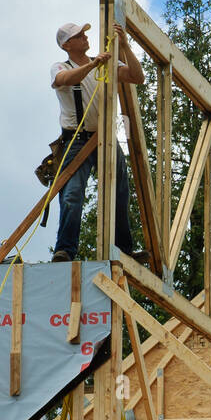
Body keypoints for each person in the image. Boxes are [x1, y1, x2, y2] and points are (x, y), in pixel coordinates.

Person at [48, 21, 146, 262]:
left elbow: (137, 77)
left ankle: (123, 250)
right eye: (79, 35)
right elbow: (65, 79)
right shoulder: (61, 66)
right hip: (77, 140)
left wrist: (125, 46)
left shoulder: (104, 63)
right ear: (67, 44)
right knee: (72, 195)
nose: (85, 37)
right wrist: (94, 65)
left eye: (84, 34)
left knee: (120, 192)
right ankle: (65, 250)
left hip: (104, 138)